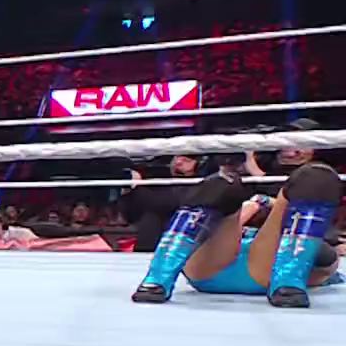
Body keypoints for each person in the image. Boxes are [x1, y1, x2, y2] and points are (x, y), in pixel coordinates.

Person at [133, 125, 340, 307]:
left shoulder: (306, 192)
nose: (292, 151)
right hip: (224, 261)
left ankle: (156, 280)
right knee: (222, 183)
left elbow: (325, 251)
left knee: (316, 177)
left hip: (262, 266)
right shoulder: (261, 168)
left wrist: (265, 203)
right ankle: (157, 278)